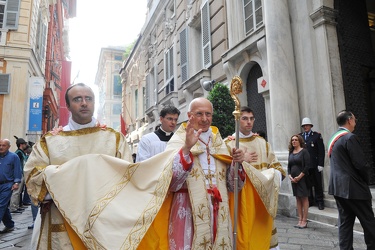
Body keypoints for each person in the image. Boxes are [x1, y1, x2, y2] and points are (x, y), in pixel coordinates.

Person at [24, 83, 132, 249]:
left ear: (94, 103)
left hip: (103, 222)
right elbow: (33, 178)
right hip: (61, 221)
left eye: (88, 98)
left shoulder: (114, 139)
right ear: (67, 105)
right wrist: (79, 174)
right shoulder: (51, 141)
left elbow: (127, 177)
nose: (84, 103)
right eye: (77, 99)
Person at [160, 97, 246, 249]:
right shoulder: (178, 140)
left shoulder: (219, 143)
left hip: (218, 209)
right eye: (199, 114)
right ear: (189, 115)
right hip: (188, 208)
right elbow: (171, 183)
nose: (205, 119)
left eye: (208, 114)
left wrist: (236, 164)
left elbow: (233, 186)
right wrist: (186, 148)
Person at [225, 106, 286, 249]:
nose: (249, 122)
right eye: (244, 118)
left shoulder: (262, 143)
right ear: (237, 120)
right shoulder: (228, 144)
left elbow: (278, 169)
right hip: (240, 201)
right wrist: (241, 161)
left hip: (262, 200)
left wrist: (267, 178)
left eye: (251, 119)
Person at [328, 110, 375, 249]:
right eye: (354, 119)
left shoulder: (334, 138)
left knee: (345, 224)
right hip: (354, 189)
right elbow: (360, 165)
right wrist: (366, 181)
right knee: (369, 222)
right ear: (349, 120)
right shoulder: (350, 138)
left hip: (338, 188)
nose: (355, 122)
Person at [299, 117, 325, 210]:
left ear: (310, 126)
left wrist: (321, 164)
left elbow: (321, 151)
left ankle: (320, 201)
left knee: (318, 184)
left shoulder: (316, 136)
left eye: (307, 125)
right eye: (304, 126)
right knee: (307, 184)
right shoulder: (300, 136)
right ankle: (310, 200)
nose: (305, 127)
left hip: (315, 164)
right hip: (305, 166)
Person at [288, 134, 311, 229]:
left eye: (296, 140)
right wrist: (290, 176)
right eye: (292, 140)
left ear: (299, 141)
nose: (294, 141)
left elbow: (307, 166)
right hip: (294, 179)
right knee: (297, 198)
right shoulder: (291, 152)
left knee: (304, 198)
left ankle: (304, 220)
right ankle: (300, 219)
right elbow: (289, 166)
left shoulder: (304, 152)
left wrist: (299, 177)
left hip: (302, 178)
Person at [0, 139, 22, 234]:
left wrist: (16, 182)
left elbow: (18, 170)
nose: (1, 147)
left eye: (4, 145)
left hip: (7, 184)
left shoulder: (14, 157)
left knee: (0, 205)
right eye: (0, 145)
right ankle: (10, 225)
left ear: (9, 146)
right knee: (3, 206)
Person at [9, 137, 29, 214]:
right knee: (16, 192)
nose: (25, 145)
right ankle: (13, 207)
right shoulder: (18, 153)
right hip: (19, 174)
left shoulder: (21, 153)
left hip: (22, 174)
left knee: (19, 191)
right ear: (21, 145)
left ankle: (18, 205)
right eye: (24, 144)